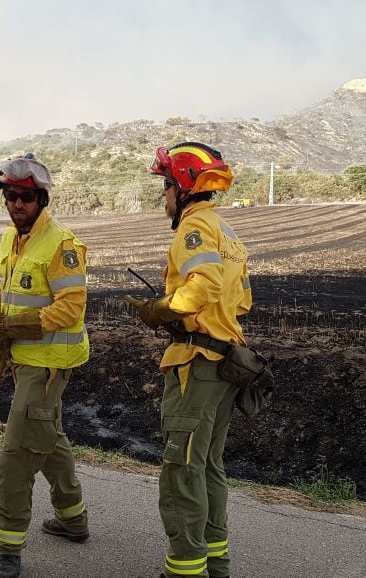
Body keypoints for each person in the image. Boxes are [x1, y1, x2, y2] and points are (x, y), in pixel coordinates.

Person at [124, 142, 251, 578]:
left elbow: (204, 286)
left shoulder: (192, 228)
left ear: (181, 185)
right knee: (209, 466)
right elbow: (242, 301)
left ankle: (184, 570)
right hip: (226, 364)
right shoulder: (228, 233)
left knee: (181, 469)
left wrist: (162, 309)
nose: (164, 197)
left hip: (197, 362)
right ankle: (216, 563)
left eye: (165, 186)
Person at [0, 153, 90, 578]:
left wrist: (13, 326)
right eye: (11, 195)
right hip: (23, 359)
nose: (17, 203)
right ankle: (73, 519)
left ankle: (8, 547)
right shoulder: (10, 239)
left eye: (26, 197)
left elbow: (70, 309)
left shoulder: (61, 244)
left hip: (50, 363)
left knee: (17, 454)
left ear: (42, 198)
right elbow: (5, 289)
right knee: (47, 436)